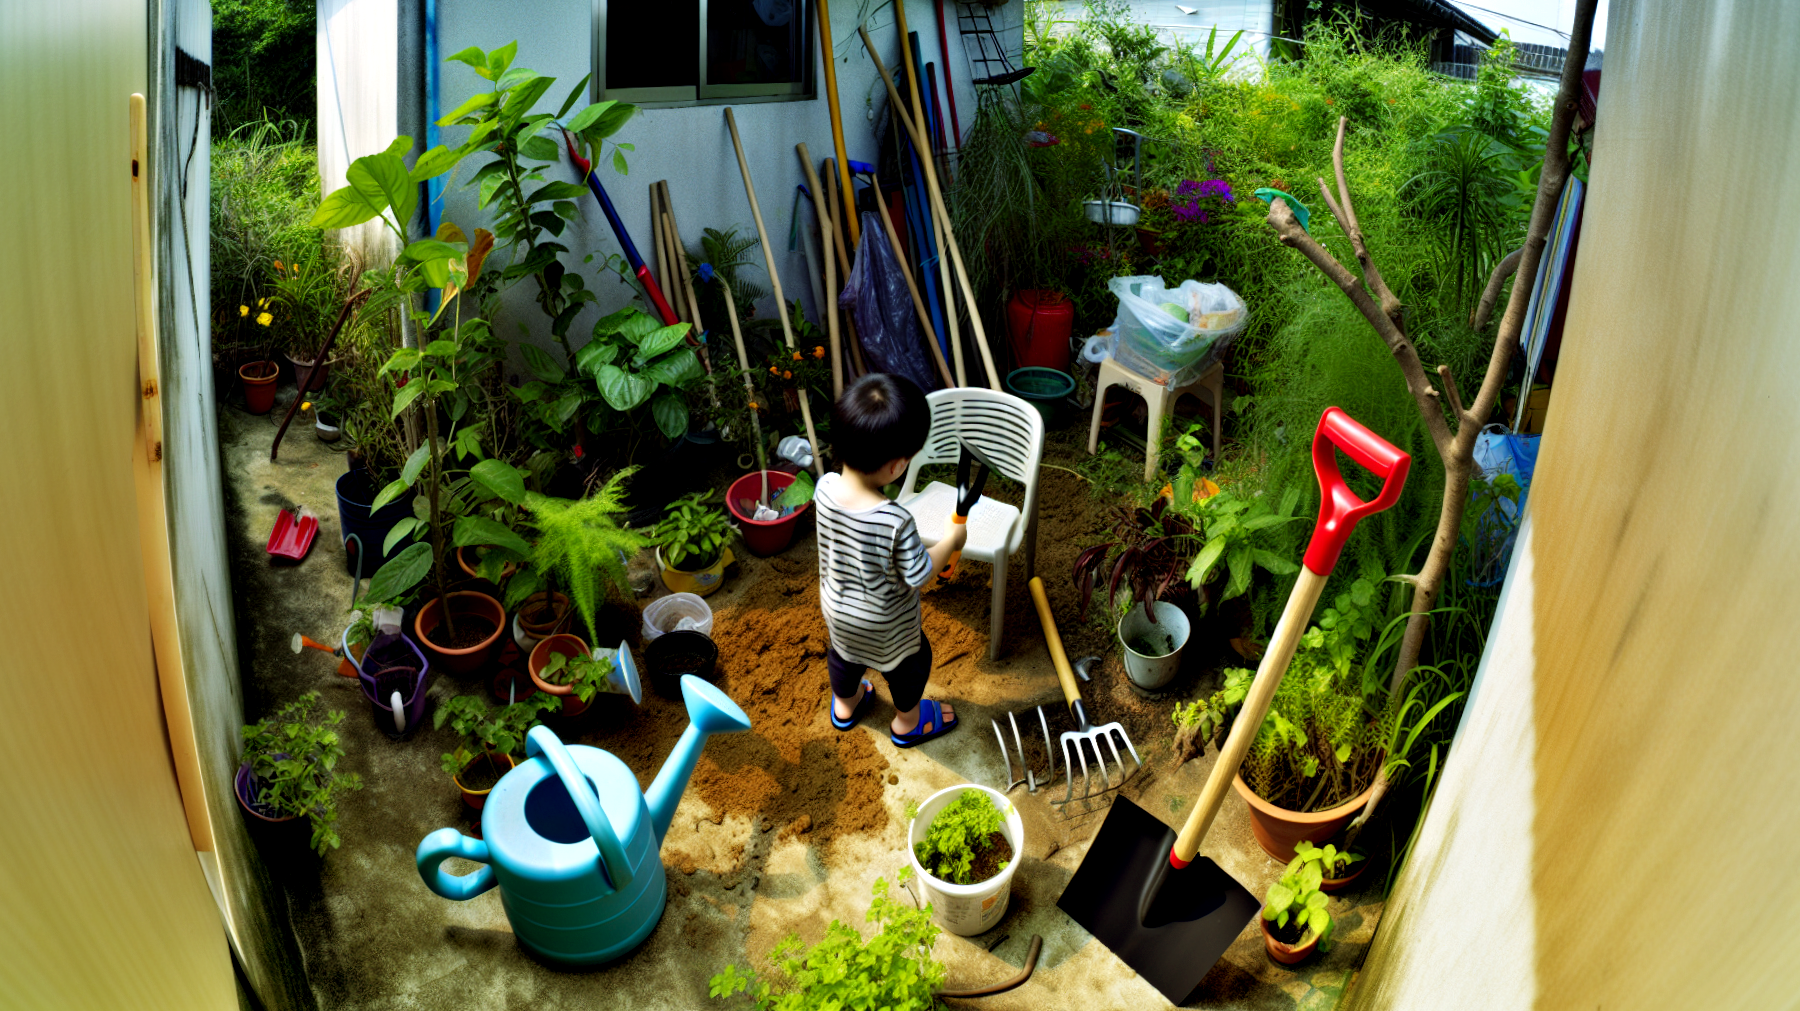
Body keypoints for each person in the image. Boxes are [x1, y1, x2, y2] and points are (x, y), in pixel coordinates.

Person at [813, 374, 965, 746]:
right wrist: (951, 540)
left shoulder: (825, 488)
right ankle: (907, 723)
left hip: (838, 611)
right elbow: (919, 573)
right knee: (909, 667)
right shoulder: (894, 520)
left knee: (844, 660)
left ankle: (847, 706)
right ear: (897, 467)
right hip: (887, 625)